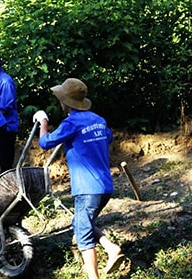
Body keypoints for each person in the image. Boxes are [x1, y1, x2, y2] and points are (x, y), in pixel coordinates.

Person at [33, 78, 125, 278]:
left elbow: (45, 142)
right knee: (81, 223)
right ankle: (111, 248)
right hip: (106, 186)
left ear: (65, 102)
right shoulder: (98, 120)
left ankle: (94, 276)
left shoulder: (71, 122)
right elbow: (108, 137)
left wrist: (43, 122)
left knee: (83, 235)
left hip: (86, 188)